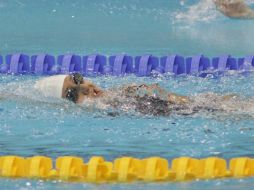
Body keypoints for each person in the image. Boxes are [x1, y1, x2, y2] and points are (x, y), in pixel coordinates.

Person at [34, 73, 240, 116]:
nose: (84, 88)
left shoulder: (117, 94)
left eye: (77, 80)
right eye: (72, 94)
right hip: (197, 111)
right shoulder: (108, 110)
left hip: (198, 106)